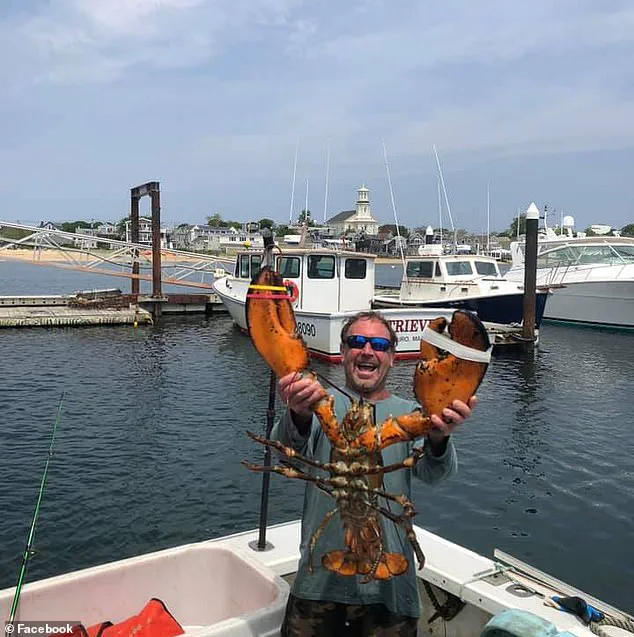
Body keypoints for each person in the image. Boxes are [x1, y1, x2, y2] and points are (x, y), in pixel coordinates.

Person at [271, 310, 478, 637]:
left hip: (389, 592)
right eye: (357, 342)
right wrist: (297, 414)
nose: (368, 350)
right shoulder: (317, 401)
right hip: (318, 586)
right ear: (343, 352)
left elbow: (434, 474)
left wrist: (438, 435)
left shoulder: (412, 414)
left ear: (392, 358)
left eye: (379, 344)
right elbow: (288, 457)